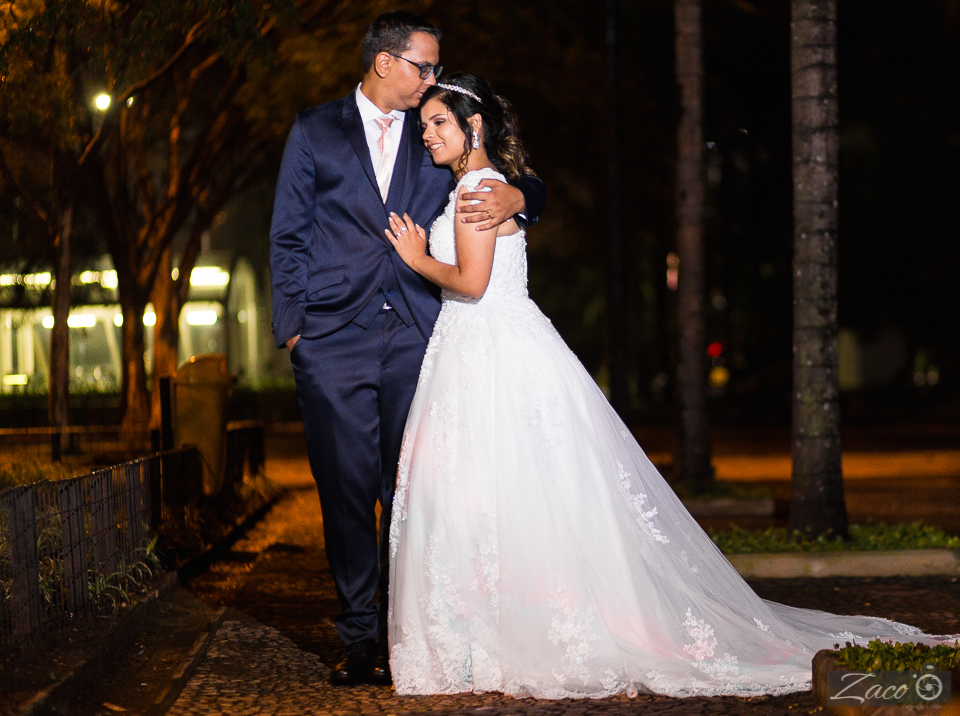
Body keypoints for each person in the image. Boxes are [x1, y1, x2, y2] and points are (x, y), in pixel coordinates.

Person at [384, 73, 952, 698]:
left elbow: (472, 283)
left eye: (439, 122)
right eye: (424, 124)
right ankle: (492, 640)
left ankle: (502, 641)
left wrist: (417, 257)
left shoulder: (480, 191)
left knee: (501, 491)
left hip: (489, 348)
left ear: (474, 125)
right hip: (480, 348)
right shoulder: (481, 186)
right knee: (498, 494)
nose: (427, 133)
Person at [268, 13, 547, 687]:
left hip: (421, 338)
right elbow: (287, 236)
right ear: (385, 62)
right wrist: (297, 331)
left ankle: (410, 635)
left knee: (418, 493)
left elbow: (503, 167)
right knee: (345, 491)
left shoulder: (436, 132)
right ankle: (359, 639)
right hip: (332, 342)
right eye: (425, 66)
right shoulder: (314, 130)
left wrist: (520, 196)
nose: (433, 78)